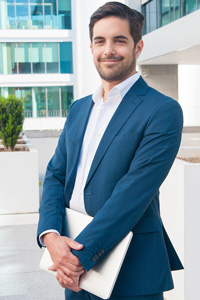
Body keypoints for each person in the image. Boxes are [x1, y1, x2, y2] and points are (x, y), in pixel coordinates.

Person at [37, 2, 184, 300]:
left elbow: (133, 194)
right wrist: (50, 236)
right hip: (72, 265)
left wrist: (78, 258)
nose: (109, 50)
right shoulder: (79, 109)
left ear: (138, 46)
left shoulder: (162, 110)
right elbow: (55, 176)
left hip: (130, 270)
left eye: (120, 40)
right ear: (91, 48)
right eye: (100, 41)